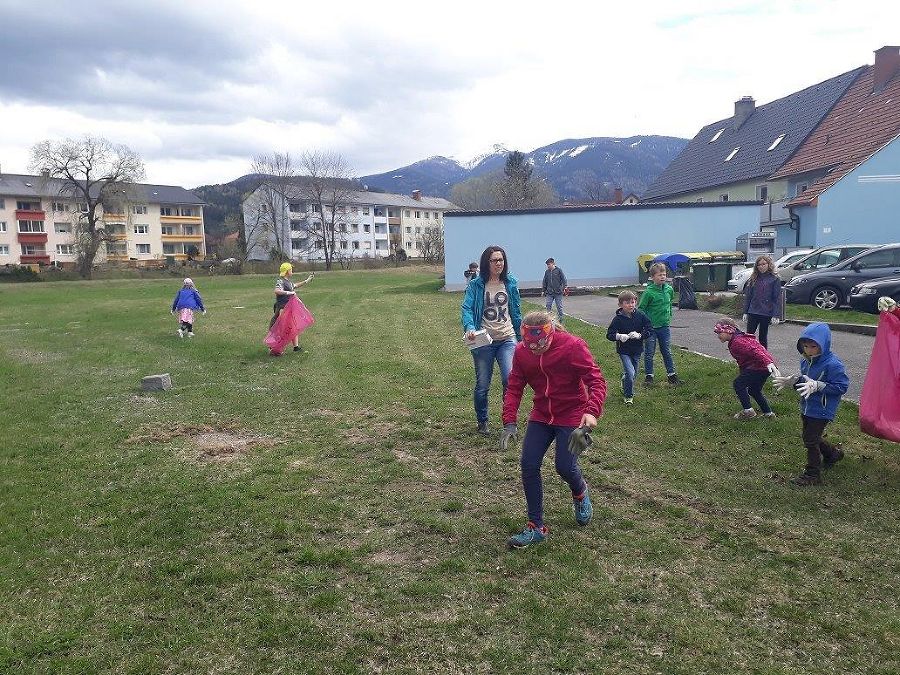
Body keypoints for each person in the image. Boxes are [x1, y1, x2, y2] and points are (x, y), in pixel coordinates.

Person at [500, 310, 606, 549]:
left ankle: (580, 492)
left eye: (540, 344)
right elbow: (515, 386)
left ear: (551, 332)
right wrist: (509, 421)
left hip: (571, 413)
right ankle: (535, 526)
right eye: (529, 344)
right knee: (528, 464)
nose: (535, 348)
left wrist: (591, 411)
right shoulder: (521, 352)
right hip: (541, 414)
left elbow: (596, 381)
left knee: (565, 467)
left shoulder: (572, 346)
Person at [773, 323, 850, 486]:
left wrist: (818, 385)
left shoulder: (833, 364)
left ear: (823, 344)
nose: (809, 350)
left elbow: (842, 386)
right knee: (811, 436)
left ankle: (812, 474)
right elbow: (805, 380)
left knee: (810, 440)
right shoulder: (806, 361)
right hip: (807, 406)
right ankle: (832, 454)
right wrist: (793, 381)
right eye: (805, 346)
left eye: (813, 346)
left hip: (822, 409)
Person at [461, 245, 522, 435]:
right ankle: (482, 421)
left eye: (501, 259)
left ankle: (509, 421)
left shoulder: (510, 283)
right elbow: (467, 309)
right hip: (484, 340)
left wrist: (521, 337)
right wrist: (470, 327)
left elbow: (516, 311)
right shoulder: (476, 285)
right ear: (486, 263)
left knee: (509, 379)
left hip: (507, 338)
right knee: (483, 385)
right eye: (495, 260)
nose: (499, 263)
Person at [713, 317, 780, 420]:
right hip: (763, 368)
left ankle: (748, 411)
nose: (718, 336)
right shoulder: (741, 338)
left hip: (758, 367)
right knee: (754, 390)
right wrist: (770, 362)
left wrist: (768, 362)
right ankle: (768, 414)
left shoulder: (738, 342)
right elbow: (759, 348)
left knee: (738, 384)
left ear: (729, 330)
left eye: (719, 332)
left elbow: (755, 351)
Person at [606, 289, 651, 404]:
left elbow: (649, 328)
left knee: (633, 374)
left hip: (637, 350)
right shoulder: (617, 319)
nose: (631, 305)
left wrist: (640, 335)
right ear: (621, 305)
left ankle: (625, 381)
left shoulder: (640, 315)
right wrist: (619, 336)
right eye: (627, 303)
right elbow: (609, 335)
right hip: (624, 350)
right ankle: (628, 395)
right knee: (630, 373)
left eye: (632, 302)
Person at [639, 262, 681, 386]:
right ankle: (649, 377)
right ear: (652, 277)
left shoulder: (669, 289)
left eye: (664, 274)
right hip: (651, 328)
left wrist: (668, 317)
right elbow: (641, 309)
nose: (662, 277)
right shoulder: (648, 292)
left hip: (664, 327)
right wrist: (645, 324)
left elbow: (669, 304)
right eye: (659, 275)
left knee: (666, 351)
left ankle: (672, 375)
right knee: (649, 353)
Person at [272, 262, 313, 353]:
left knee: (292, 327)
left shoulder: (288, 282)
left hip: (288, 309)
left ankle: (296, 347)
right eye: (291, 269)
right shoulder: (281, 281)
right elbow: (277, 291)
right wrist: (288, 293)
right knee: (281, 329)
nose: (292, 271)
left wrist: (306, 281)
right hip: (282, 309)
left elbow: (295, 285)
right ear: (287, 271)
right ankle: (275, 347)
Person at [742, 255, 782, 349]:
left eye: (764, 264)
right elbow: (748, 296)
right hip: (753, 311)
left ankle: (764, 357)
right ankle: (748, 355)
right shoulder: (753, 278)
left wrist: (776, 315)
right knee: (749, 336)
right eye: (759, 265)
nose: (761, 266)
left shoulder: (775, 279)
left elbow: (776, 298)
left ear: (769, 264)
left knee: (762, 337)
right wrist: (745, 312)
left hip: (766, 312)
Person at [541, 257, 567, 322]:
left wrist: (565, 287)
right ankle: (548, 319)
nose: (548, 266)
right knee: (548, 305)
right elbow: (545, 281)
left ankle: (561, 320)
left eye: (549, 264)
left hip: (558, 292)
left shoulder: (559, 270)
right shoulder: (547, 272)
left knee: (559, 307)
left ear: (553, 263)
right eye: (547, 265)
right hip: (549, 293)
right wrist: (543, 290)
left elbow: (564, 279)